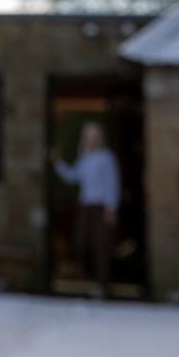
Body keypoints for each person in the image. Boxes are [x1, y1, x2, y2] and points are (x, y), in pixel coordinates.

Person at [51, 122, 121, 299]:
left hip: (101, 206)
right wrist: (57, 162)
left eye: (94, 136)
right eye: (88, 136)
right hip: (85, 205)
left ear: (100, 138)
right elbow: (73, 177)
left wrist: (111, 208)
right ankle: (90, 278)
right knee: (81, 241)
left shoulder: (107, 157)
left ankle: (103, 286)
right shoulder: (84, 158)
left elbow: (112, 183)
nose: (91, 139)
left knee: (101, 245)